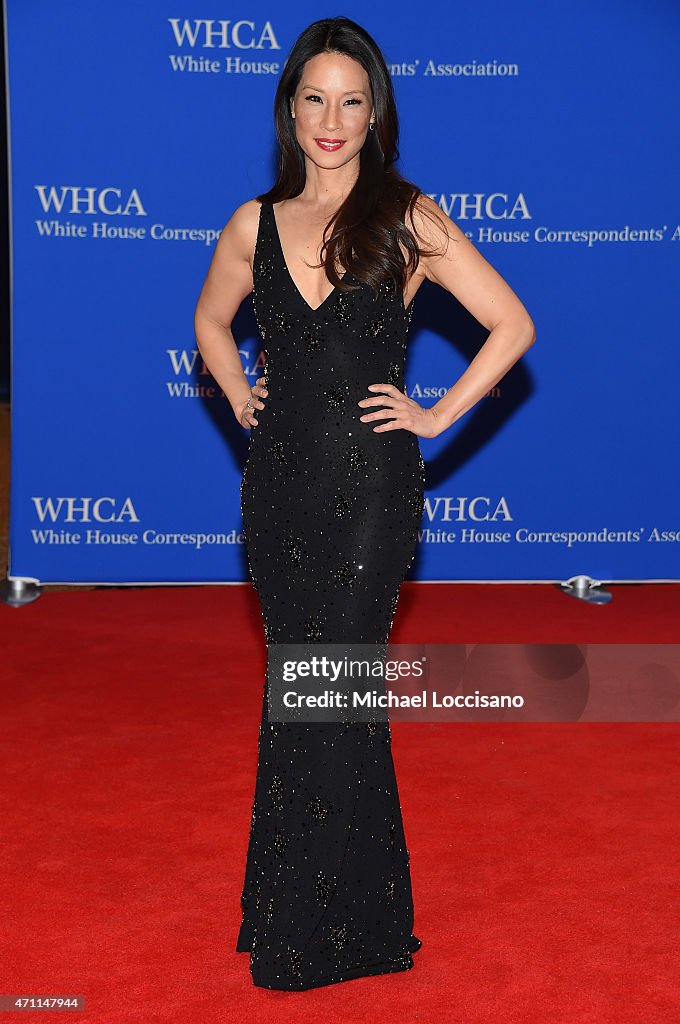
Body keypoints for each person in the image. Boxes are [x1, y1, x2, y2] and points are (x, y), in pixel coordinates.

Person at [193, 16, 536, 991]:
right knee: (302, 695)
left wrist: (436, 416)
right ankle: (308, 913)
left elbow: (510, 322)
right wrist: (237, 388)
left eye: (351, 100)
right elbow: (208, 323)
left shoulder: (405, 214)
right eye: (313, 98)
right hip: (279, 493)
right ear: (287, 109)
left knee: (328, 699)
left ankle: (320, 931)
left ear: (374, 110)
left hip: (371, 497)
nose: (330, 119)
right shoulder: (251, 224)